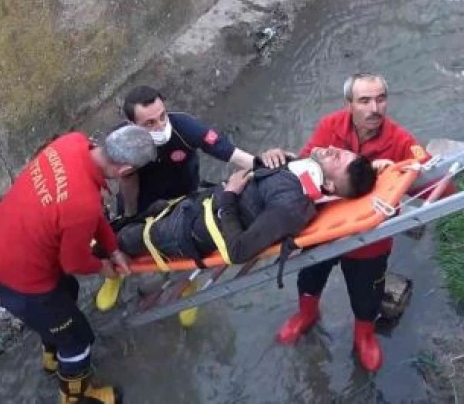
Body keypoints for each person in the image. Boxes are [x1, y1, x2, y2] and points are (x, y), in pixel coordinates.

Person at [266, 73, 431, 372]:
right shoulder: (331, 126)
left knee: (367, 294)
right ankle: (307, 314)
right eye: (364, 100)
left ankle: (364, 335)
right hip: (322, 231)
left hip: (370, 241)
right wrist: (277, 158)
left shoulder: (401, 140)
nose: (374, 109)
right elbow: (303, 168)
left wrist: (396, 174)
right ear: (349, 104)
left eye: (380, 99)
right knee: (309, 277)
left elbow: (434, 182)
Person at [0, 125, 156, 404]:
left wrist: (112, 248)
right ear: (124, 171)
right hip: (25, 281)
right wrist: (104, 267)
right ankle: (74, 396)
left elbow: (85, 213)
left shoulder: (72, 143)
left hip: (0, 248)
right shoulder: (81, 205)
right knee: (78, 339)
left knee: (67, 292)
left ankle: (52, 356)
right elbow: (73, 260)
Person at [96, 86, 286, 311]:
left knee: (185, 242)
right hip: (141, 201)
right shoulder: (120, 142)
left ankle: (187, 285)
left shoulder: (184, 128)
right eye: (149, 123)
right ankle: (113, 276)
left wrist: (270, 166)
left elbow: (232, 154)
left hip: (181, 200)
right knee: (118, 238)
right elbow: (114, 181)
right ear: (131, 125)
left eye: (162, 117)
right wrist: (128, 216)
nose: (160, 126)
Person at [114, 147, 376, 270]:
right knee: (138, 214)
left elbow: (239, 252)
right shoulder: (298, 171)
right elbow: (265, 185)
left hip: (186, 230)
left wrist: (229, 196)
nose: (331, 148)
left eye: (337, 157)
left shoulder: (290, 206)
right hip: (194, 204)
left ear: (329, 183)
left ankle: (102, 261)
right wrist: (270, 159)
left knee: (124, 239)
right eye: (341, 150)